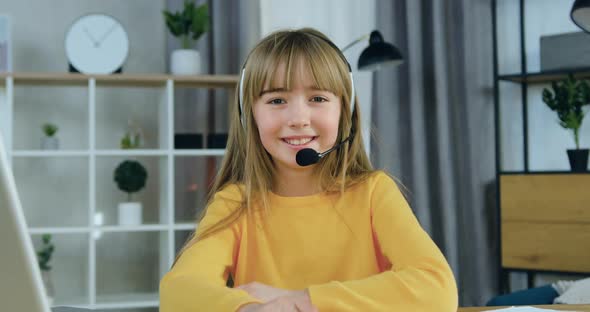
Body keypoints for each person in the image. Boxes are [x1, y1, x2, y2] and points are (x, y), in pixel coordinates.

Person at [160, 27, 458, 312]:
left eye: (318, 99)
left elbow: (437, 287)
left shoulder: (373, 193)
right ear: (249, 115)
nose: (298, 118)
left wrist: (299, 300)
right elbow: (180, 291)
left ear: (346, 112)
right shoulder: (235, 203)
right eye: (277, 100)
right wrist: (250, 309)